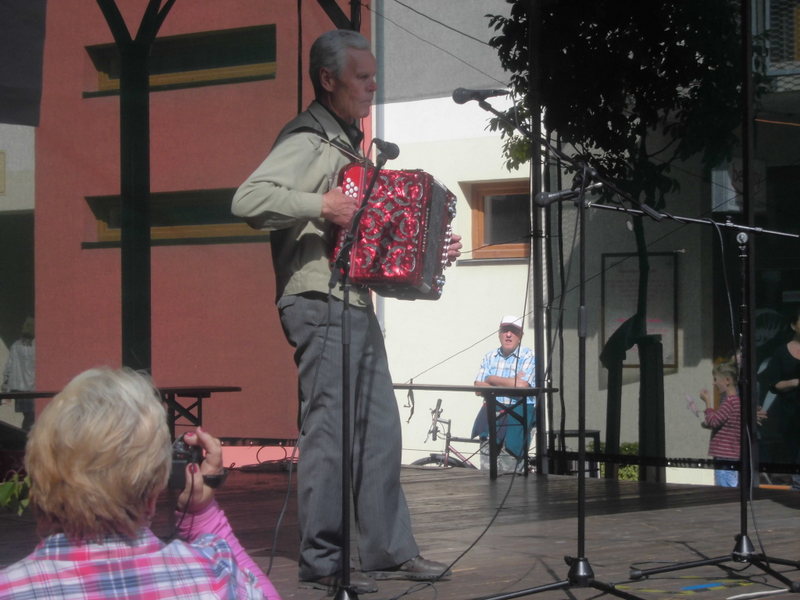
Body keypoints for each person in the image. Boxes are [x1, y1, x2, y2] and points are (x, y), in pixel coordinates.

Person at [232, 29, 459, 593]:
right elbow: (247, 199)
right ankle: (325, 560)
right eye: (363, 77)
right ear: (328, 80)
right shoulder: (308, 139)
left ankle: (387, 550)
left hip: (353, 300)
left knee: (380, 429)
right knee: (330, 431)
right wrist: (321, 204)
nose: (373, 86)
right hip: (316, 299)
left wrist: (429, 251)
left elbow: (369, 249)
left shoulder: (351, 148)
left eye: (373, 76)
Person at [0, 367, 280, 600]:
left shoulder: (10, 589)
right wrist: (203, 514)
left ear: (37, 481)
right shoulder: (212, 575)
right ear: (154, 490)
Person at [472, 315, 536, 473]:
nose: (508, 335)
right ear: (499, 334)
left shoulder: (528, 355)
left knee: (511, 469)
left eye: (513, 331)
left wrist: (491, 379)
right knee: (487, 470)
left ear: (521, 335)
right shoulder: (489, 356)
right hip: (491, 416)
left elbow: (522, 386)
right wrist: (511, 383)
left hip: (517, 418)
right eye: (505, 330)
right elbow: (478, 388)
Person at [760, 305, 800, 491]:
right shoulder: (781, 352)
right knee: (794, 451)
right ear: (793, 325)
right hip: (791, 414)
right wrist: (795, 382)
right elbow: (773, 384)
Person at [698, 359, 741, 487]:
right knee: (730, 484)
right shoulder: (736, 401)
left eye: (716, 379)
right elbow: (724, 423)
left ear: (727, 380)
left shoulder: (729, 402)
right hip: (731, 453)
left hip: (725, 455)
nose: (714, 383)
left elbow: (713, 421)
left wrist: (707, 403)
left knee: (725, 488)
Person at [2, 317, 36, 431]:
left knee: (29, 417)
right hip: (33, 390)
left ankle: (25, 436)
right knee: (31, 418)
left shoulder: (15, 346)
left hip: (20, 391)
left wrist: (6, 390)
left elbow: (9, 369)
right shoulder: (38, 347)